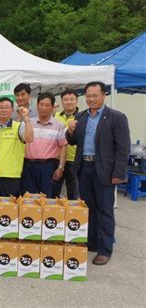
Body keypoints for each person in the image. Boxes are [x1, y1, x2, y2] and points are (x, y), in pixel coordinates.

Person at [66, 81, 130, 266]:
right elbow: (73, 141)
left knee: (105, 210)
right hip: (84, 167)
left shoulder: (116, 117)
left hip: (105, 170)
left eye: (95, 95)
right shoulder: (82, 116)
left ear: (103, 95)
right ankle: (91, 242)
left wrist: (118, 172)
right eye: (88, 96)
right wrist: (70, 131)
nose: (91, 99)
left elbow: (123, 148)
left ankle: (105, 249)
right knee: (88, 208)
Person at [0, 97, 33, 247]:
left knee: (8, 209)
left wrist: (27, 120)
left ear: (12, 110)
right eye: (0, 107)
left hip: (11, 175)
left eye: (7, 107)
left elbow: (29, 139)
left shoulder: (19, 127)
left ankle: (7, 237)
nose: (3, 110)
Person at [21, 92, 67, 198]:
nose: (43, 108)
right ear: (37, 106)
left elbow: (63, 147)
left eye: (47, 105)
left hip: (48, 166)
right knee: (28, 199)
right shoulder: (28, 123)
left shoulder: (59, 125)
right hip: (28, 165)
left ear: (52, 107)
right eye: (41, 105)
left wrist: (60, 167)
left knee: (47, 198)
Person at [52, 89, 80, 200]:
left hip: (74, 160)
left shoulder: (82, 116)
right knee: (54, 191)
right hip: (57, 159)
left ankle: (72, 216)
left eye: (72, 99)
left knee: (73, 192)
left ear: (77, 101)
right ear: (62, 101)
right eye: (66, 99)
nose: (69, 102)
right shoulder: (55, 116)